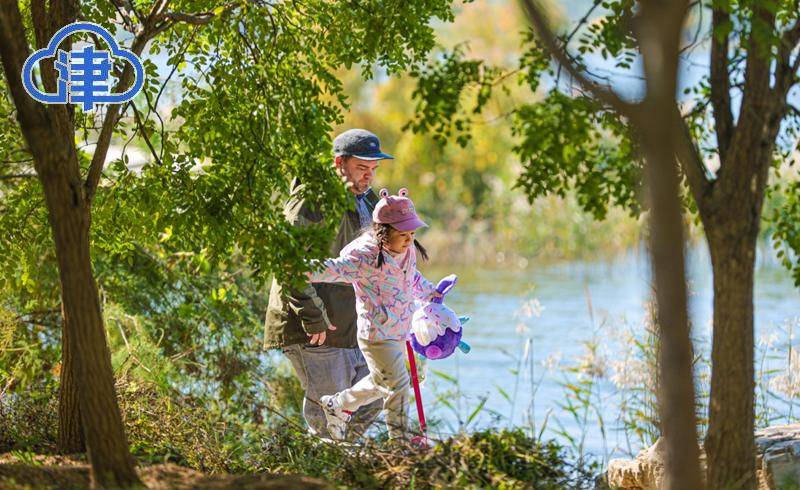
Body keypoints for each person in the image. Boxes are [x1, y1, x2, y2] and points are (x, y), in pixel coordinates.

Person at [263, 129, 393, 439]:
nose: (369, 177)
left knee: (379, 391)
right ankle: (318, 471)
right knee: (329, 422)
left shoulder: (370, 200)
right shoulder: (311, 200)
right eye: (362, 168)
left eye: (374, 169)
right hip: (316, 330)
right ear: (339, 163)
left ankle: (335, 463)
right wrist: (313, 316)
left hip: (354, 327)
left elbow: (382, 262)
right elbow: (288, 260)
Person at [306, 188, 442, 440]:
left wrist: (429, 293)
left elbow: (411, 278)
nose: (409, 240)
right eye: (402, 234)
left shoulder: (406, 251)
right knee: (398, 386)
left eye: (412, 233)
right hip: (377, 335)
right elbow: (336, 269)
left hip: (400, 330)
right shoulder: (367, 256)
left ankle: (338, 404)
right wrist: (304, 270)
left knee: (382, 382)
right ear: (382, 232)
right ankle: (401, 444)